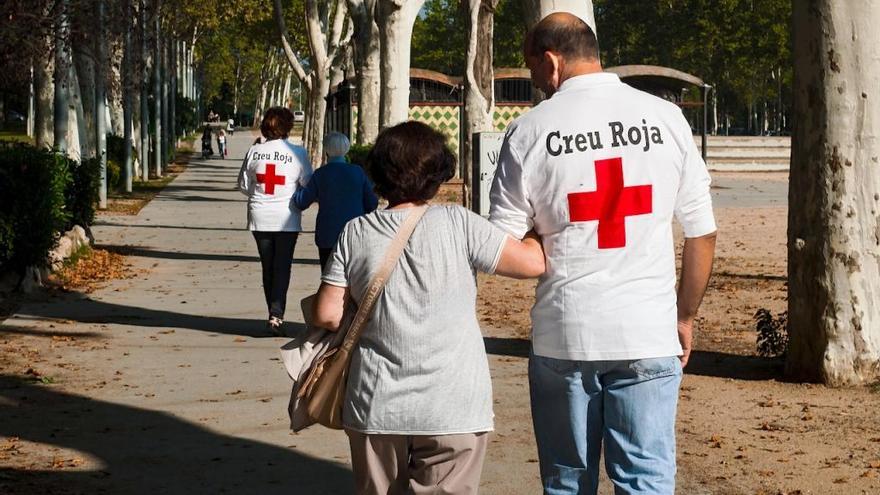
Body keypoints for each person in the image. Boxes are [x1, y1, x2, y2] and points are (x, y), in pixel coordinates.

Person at [489, 13, 717, 494]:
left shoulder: (529, 131)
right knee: (647, 479)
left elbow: (502, 247)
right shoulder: (666, 118)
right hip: (648, 330)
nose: (536, 84)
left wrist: (549, 243)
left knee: (568, 482)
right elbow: (701, 234)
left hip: (566, 335)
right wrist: (685, 316)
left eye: (533, 72)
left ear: (551, 62)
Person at [313, 121, 546, 495]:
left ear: (377, 172)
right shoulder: (460, 223)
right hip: (453, 405)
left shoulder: (356, 231)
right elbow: (532, 263)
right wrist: (536, 225)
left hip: (378, 404)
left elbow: (327, 314)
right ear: (437, 175)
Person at [238, 107, 312, 335]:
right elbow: (308, 183)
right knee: (282, 267)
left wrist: (258, 192)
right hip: (286, 219)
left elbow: (243, 186)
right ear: (288, 127)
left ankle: (274, 311)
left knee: (267, 266)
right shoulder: (297, 153)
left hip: (260, 217)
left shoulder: (255, 152)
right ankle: (276, 315)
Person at [293, 132, 379, 270]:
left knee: (329, 277)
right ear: (347, 149)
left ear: (326, 150)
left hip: (327, 235)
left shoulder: (321, 174)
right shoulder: (357, 172)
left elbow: (301, 202)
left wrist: (294, 187)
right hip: (354, 234)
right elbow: (372, 204)